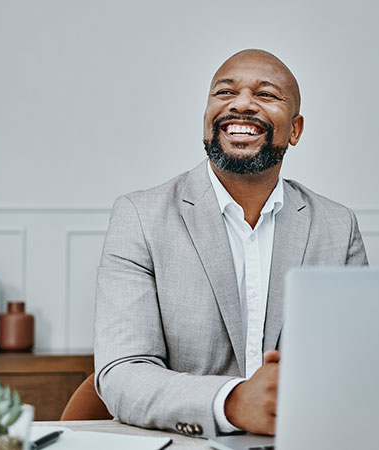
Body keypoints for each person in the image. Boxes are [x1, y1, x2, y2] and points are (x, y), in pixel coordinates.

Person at [93, 49, 367, 438]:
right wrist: (232, 401)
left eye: (266, 95)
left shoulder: (338, 227)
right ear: (207, 118)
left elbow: (357, 365)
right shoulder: (140, 216)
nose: (241, 104)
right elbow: (122, 373)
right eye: (224, 93)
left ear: (295, 129)